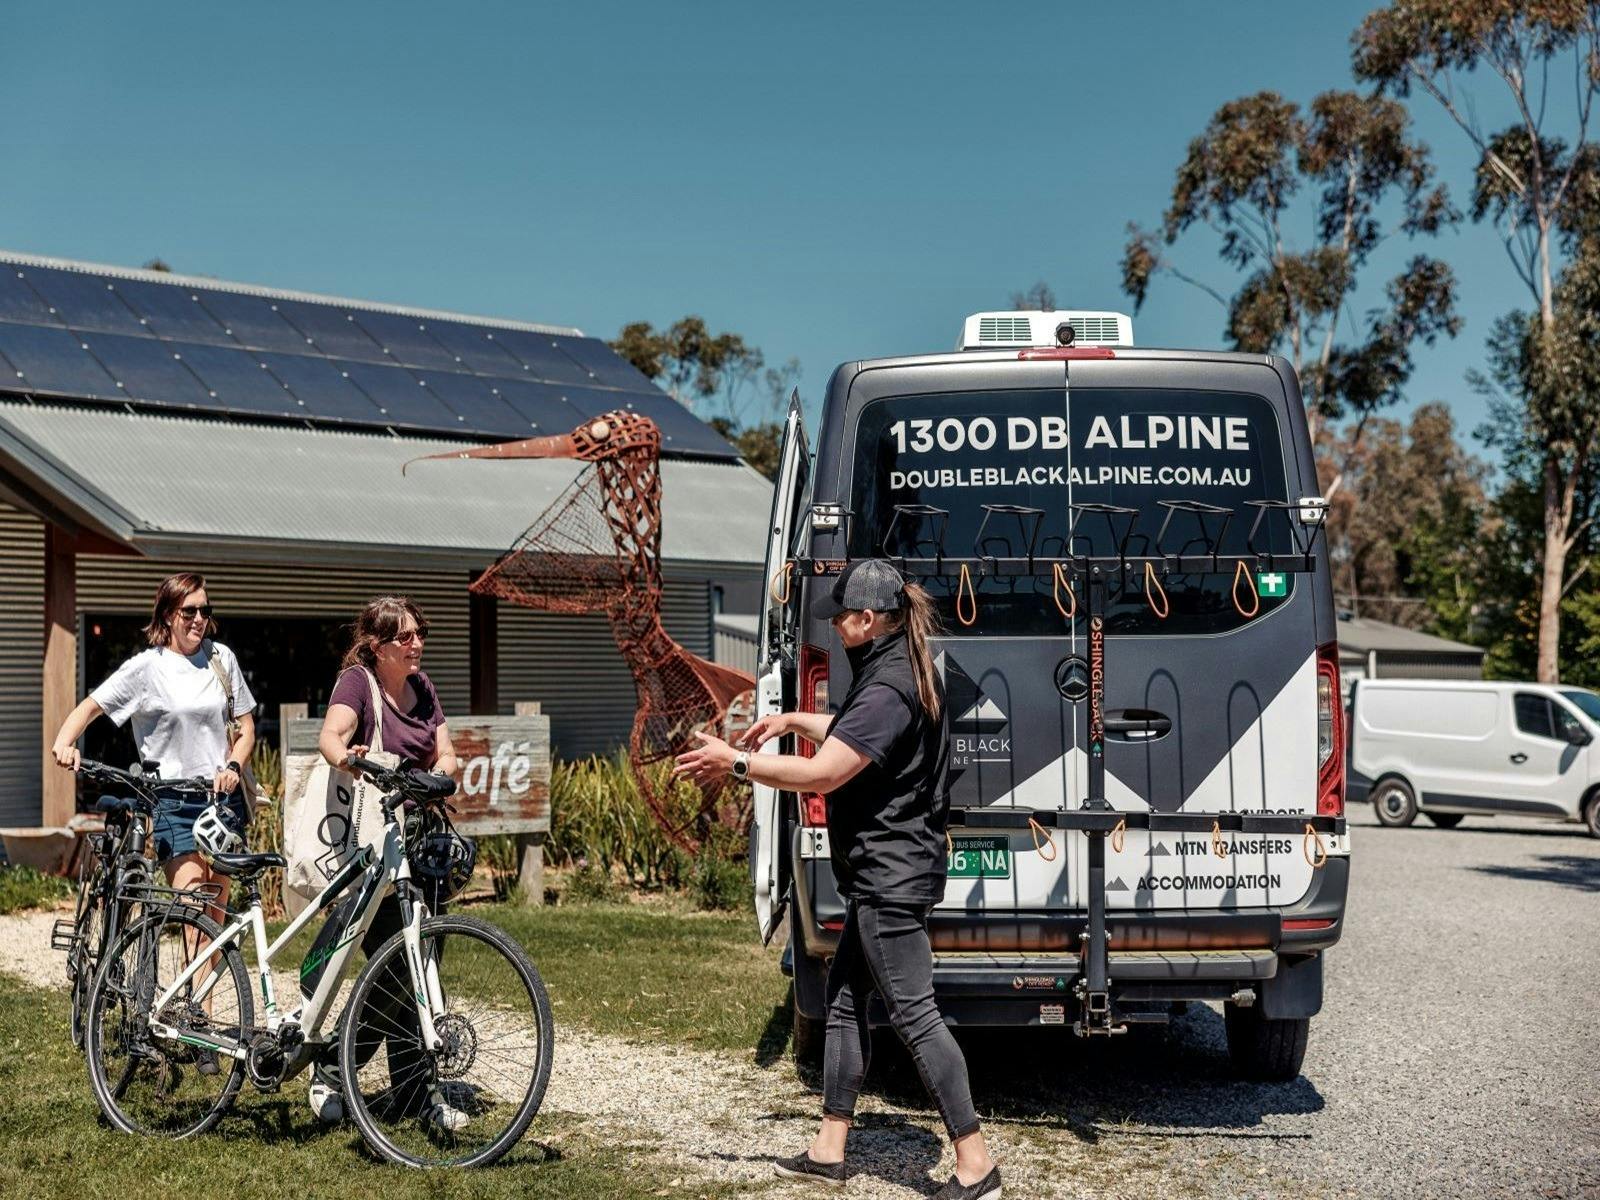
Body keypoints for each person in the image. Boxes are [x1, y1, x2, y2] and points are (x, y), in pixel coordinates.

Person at [675, 559, 1001, 1200]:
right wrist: (795, 721)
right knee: (846, 1001)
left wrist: (738, 763)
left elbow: (827, 773)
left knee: (915, 1017)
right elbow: (856, 736)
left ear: (868, 619)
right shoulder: (902, 668)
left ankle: (976, 1162)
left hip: (888, 876)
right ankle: (829, 1148)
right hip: (888, 870)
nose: (835, 627)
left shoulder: (887, 685)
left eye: (842, 618)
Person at [307, 594, 459, 1128]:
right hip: (374, 843)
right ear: (377, 646)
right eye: (405, 637)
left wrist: (444, 769)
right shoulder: (358, 683)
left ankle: (417, 1093)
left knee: (421, 962)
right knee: (396, 968)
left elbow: (445, 749)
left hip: (419, 844)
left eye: (421, 634)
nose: (417, 644)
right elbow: (331, 735)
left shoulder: (423, 688)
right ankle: (333, 1067)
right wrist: (350, 760)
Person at [50, 571, 256, 934]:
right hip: (174, 801)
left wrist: (235, 766)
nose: (198, 620)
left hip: (223, 799)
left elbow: (247, 729)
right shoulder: (148, 667)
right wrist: (64, 743)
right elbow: (91, 706)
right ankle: (193, 992)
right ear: (167, 615)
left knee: (216, 922)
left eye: (204, 611)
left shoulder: (221, 658)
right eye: (188, 611)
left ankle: (202, 994)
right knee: (195, 915)